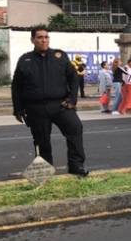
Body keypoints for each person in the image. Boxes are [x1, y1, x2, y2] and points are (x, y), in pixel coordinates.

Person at [11, 26, 88, 176]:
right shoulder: (25, 60)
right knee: (41, 141)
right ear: (33, 40)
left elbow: (73, 78)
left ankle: (76, 166)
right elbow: (16, 86)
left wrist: (72, 99)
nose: (44, 40)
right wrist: (18, 109)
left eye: (46, 37)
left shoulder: (59, 56)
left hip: (60, 105)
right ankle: (44, 174)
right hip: (36, 108)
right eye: (40, 37)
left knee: (75, 128)